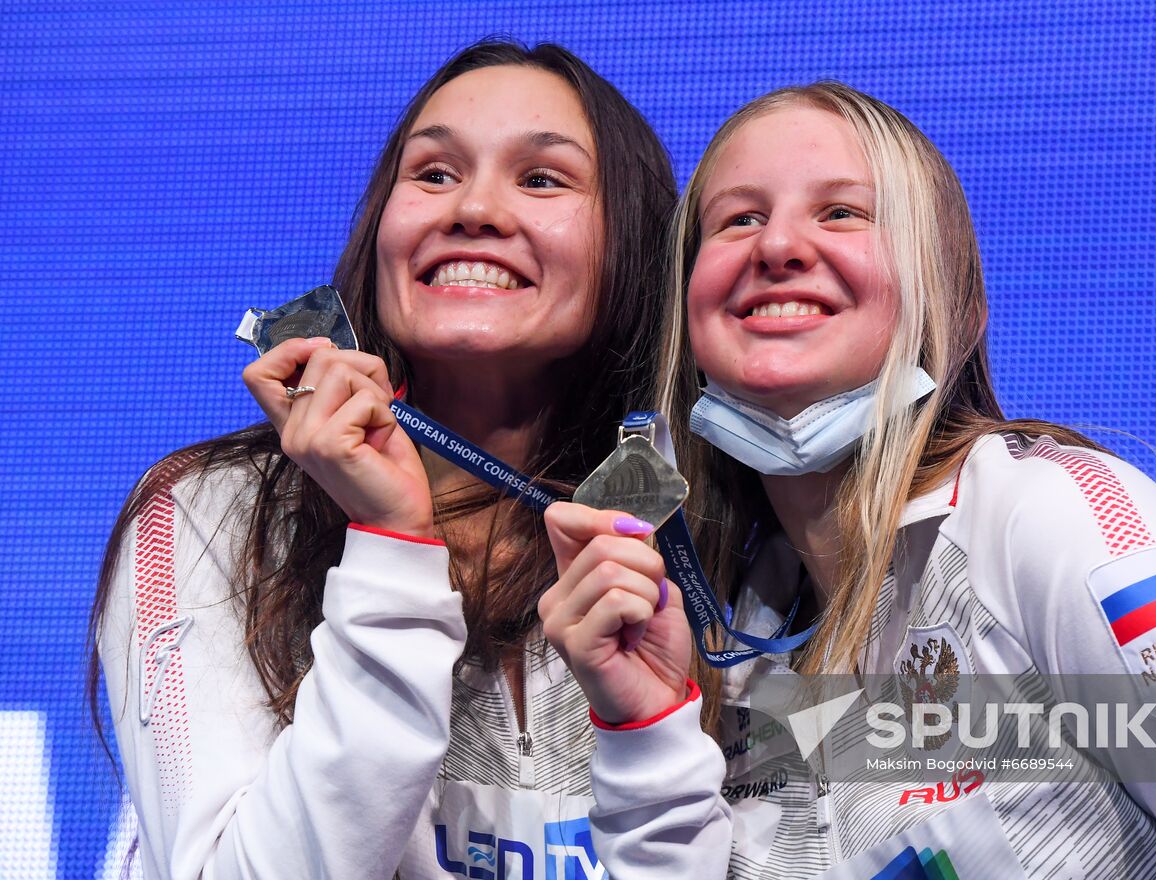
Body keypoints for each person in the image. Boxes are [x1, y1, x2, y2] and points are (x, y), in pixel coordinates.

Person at [540, 82, 1156, 878]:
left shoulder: (1055, 520)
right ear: (688, 315)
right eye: (735, 220)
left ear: (954, 306)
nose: (777, 245)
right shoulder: (739, 635)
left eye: (843, 212)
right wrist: (645, 732)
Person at [89, 39, 725, 880]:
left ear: (633, 248)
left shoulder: (710, 543)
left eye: (541, 180)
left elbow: (863, 814)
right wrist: (391, 544)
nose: (472, 209)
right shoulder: (212, 514)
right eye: (432, 173)